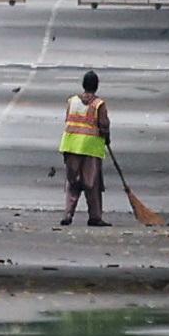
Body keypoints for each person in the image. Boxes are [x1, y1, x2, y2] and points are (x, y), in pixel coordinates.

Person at [59, 69, 111, 227]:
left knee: (72, 182)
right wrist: (107, 138)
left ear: (83, 85)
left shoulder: (72, 101)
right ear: (96, 86)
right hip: (90, 148)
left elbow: (68, 120)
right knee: (92, 183)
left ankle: (68, 214)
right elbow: (103, 125)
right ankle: (94, 216)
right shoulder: (99, 104)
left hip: (71, 146)